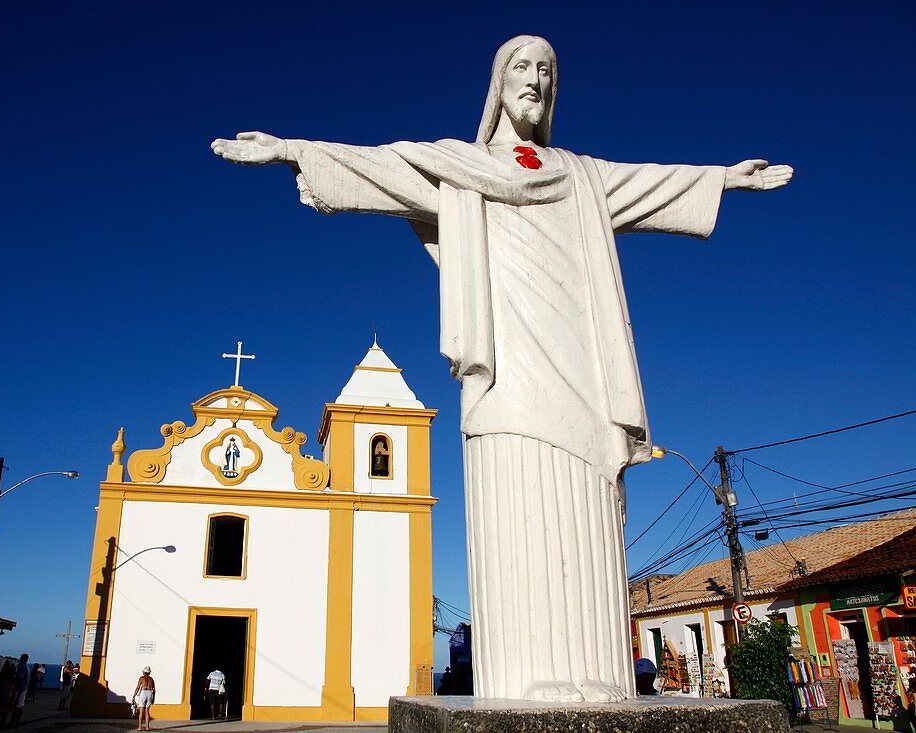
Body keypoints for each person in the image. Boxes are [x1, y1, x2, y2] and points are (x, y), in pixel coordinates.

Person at [212, 34, 792, 702]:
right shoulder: (458, 166)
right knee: (521, 490)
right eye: (522, 65)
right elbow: (380, 166)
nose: (536, 78)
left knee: (588, 490)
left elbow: (653, 183)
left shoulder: (582, 174)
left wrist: (722, 178)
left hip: (580, 357)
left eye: (548, 69)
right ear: (498, 81)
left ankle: (599, 672)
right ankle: (528, 674)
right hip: (507, 359)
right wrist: (292, 151)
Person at [133, 665, 156, 731]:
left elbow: (138, 687)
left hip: (143, 692)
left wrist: (134, 695)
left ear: (144, 672)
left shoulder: (141, 678)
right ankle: (147, 727)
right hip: (149, 693)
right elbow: (154, 689)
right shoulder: (151, 679)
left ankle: (140, 727)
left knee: (141, 711)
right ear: (149, 672)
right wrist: (153, 698)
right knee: (147, 711)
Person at [11, 653, 31, 727]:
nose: (20, 658)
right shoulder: (27, 667)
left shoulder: (23, 667)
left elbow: (19, 677)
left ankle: (13, 721)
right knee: (19, 705)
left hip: (20, 688)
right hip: (24, 687)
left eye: (21, 658)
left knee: (17, 706)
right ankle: (16, 722)